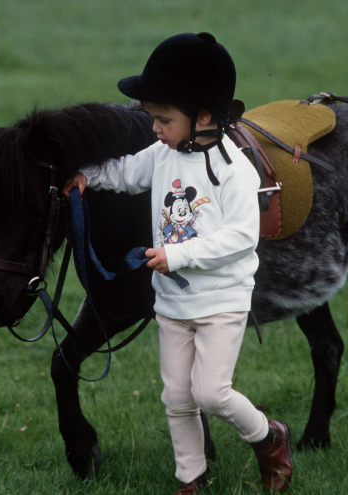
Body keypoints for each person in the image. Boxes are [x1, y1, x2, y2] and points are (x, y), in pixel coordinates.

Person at [62, 32, 292, 494]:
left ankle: (269, 438)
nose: (155, 128)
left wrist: (177, 254)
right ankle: (191, 479)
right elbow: (127, 171)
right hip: (171, 303)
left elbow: (242, 237)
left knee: (211, 393)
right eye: (153, 118)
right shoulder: (164, 154)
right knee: (177, 398)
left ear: (204, 117)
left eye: (163, 119)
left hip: (221, 301)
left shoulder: (234, 170)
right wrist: (89, 175)